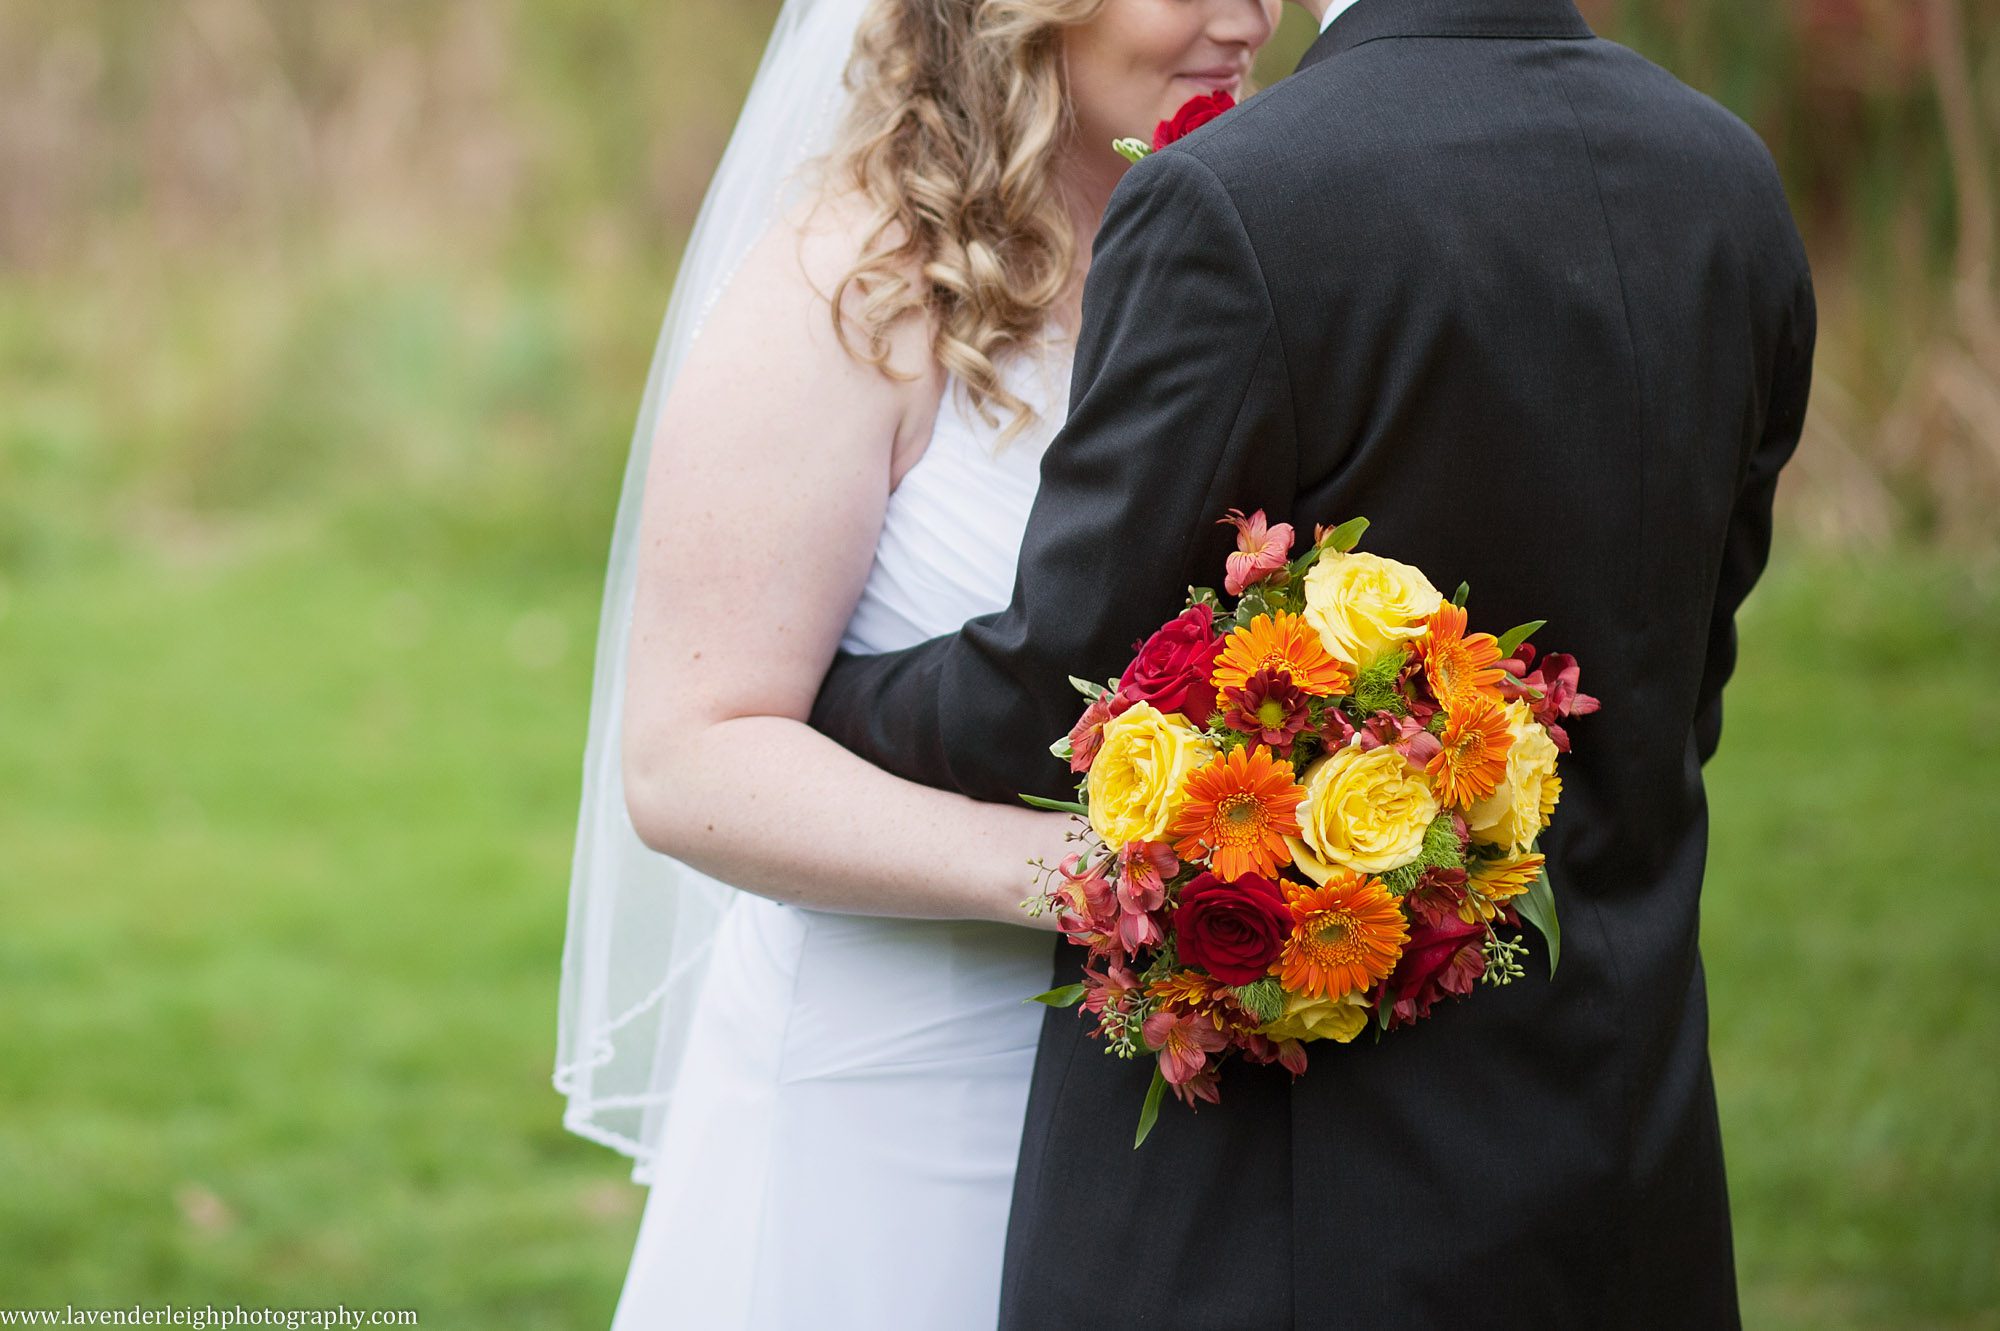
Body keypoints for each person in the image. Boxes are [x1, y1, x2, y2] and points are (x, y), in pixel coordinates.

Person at [806, 0, 1816, 1326]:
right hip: (1629, 1145)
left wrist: (831, 691)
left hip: (1285, 1195)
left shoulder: (1237, 198)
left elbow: (1068, 684)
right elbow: (1684, 678)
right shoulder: (1730, 177)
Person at [551, 0, 1281, 1327]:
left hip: (1182, 1121)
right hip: (896, 1114)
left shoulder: (1233, 262)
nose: (1252, 18)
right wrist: (1092, 883)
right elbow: (688, 759)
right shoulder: (850, 286)